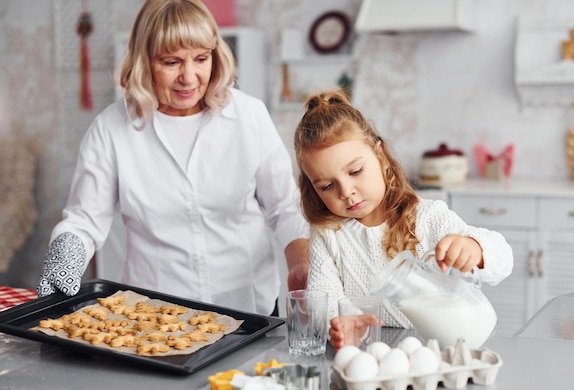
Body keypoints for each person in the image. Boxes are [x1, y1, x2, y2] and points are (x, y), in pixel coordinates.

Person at [37, 0, 309, 317]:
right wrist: (64, 258)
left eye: (201, 58)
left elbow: (284, 206)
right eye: (171, 62)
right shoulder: (111, 129)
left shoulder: (248, 115)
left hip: (248, 307)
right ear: (144, 61)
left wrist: (301, 261)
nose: (189, 77)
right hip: (153, 312)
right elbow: (85, 220)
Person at [293, 88, 513, 349]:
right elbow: (325, 296)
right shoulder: (328, 232)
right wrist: (342, 322)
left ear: (381, 155)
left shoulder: (428, 217)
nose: (346, 192)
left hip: (441, 351)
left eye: (355, 171)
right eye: (327, 186)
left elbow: (503, 259)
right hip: (374, 356)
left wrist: (475, 249)